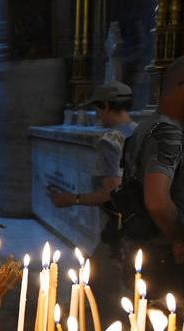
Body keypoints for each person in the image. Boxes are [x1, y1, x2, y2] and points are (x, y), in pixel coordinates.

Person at [117, 55, 184, 301]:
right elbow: (157, 200)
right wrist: (180, 240)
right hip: (160, 252)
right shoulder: (169, 135)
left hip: (139, 245)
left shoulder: (147, 126)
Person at [48, 81, 137, 259]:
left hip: (118, 230)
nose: (97, 115)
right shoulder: (139, 131)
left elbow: (113, 192)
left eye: (98, 108)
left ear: (105, 106)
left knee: (102, 281)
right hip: (139, 224)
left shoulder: (111, 141)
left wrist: (71, 199)